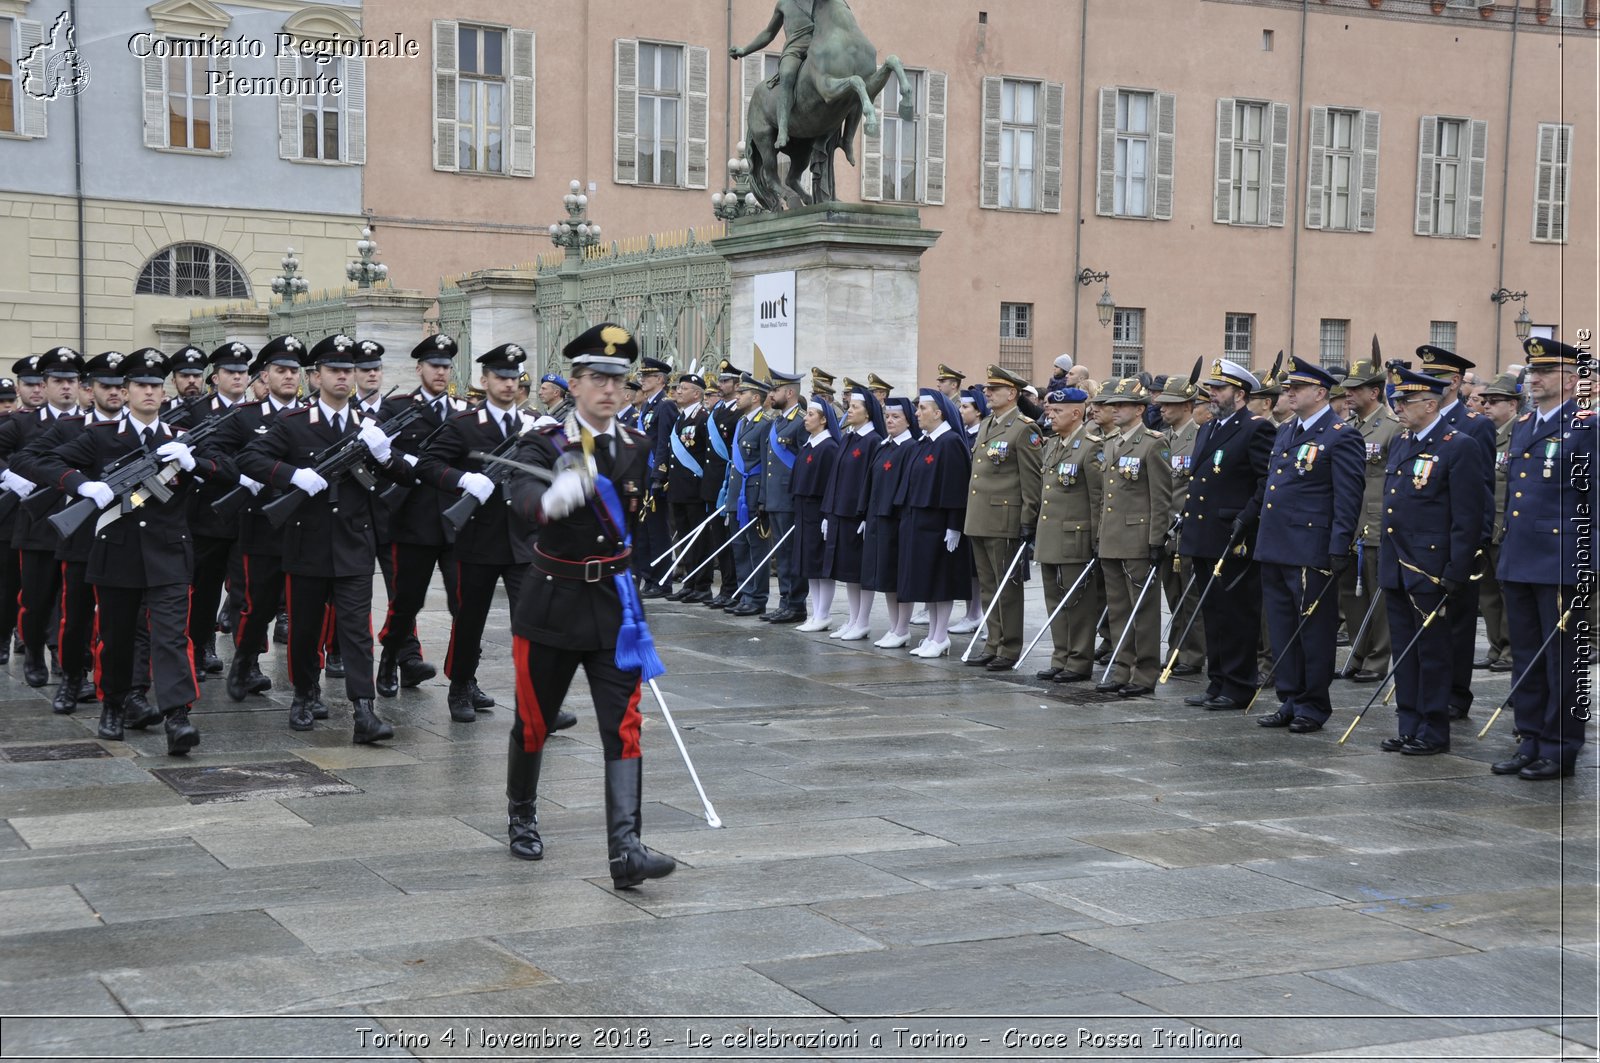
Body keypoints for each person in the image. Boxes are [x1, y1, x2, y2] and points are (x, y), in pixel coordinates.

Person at [502, 322, 676, 888]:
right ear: (573, 385)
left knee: (624, 728)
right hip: (552, 602)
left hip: (615, 608)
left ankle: (626, 850)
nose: (609, 389)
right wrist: (551, 500)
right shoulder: (543, 441)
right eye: (597, 378)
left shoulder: (635, 445)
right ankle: (521, 812)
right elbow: (521, 496)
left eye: (618, 380)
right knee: (533, 721)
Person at [30, 349, 226, 752]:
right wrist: (80, 485)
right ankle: (114, 705)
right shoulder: (102, 437)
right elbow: (37, 459)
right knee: (116, 637)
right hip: (116, 552)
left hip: (169, 554)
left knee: (172, 637)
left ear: (165, 390)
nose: (150, 392)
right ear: (127, 390)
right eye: (141, 385)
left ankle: (178, 716)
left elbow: (230, 470)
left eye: (157, 385)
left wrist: (194, 464)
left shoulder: (180, 440)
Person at [237, 334, 407, 742]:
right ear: (316, 377)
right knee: (306, 628)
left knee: (355, 631)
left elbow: (403, 475)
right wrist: (293, 475)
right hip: (306, 542)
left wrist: (384, 455)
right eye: (334, 370)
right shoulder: (294, 424)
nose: (344, 378)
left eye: (348, 371)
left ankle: (364, 710)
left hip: (354, 541)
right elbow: (251, 458)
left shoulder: (368, 427)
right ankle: (303, 693)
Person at [1490, 336, 1594, 781]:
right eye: (1532, 372)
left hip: (1561, 560)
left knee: (1563, 661)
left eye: (1544, 372)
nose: (1533, 378)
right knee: (1527, 655)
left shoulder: (1586, 427)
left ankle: (1561, 746)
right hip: (1520, 558)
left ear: (1571, 379)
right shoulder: (1527, 424)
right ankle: (1529, 738)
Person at [1248, 356, 1365, 733]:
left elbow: (1348, 496)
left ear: (1320, 392)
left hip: (1310, 547)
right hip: (1277, 544)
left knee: (1312, 630)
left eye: (1296, 388)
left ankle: (1313, 703)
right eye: (1288, 388)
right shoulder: (1286, 431)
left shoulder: (1340, 434)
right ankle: (1290, 697)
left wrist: (1339, 544)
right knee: (1281, 627)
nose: (1289, 394)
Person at [1377, 363, 1487, 756]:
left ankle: (1434, 730)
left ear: (1429, 402)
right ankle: (1409, 724)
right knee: (1405, 651)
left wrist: (1455, 570)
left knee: (1433, 653)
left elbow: (1467, 516)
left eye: (1405, 400)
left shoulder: (1458, 445)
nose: (1399, 406)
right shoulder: (1403, 441)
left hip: (1431, 567)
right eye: (1397, 400)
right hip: (1398, 564)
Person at [13, 350, 128, 716]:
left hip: (122, 534)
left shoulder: (136, 427)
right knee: (73, 613)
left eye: (118, 386)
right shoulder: (69, 428)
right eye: (104, 385)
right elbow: (27, 459)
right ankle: (70, 677)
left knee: (117, 618)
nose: (113, 392)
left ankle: (117, 684)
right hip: (77, 534)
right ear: (90, 389)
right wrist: (76, 484)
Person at [374, 335, 469, 697]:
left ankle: (465, 678)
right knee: (406, 601)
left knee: (464, 604)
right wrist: (407, 462)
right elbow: (378, 452)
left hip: (456, 522)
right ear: (419, 369)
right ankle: (391, 661)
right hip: (412, 519)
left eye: (446, 366)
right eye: (434, 366)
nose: (441, 372)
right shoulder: (397, 408)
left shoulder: (462, 411)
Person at [1178, 360, 1274, 710]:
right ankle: (1217, 680)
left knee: (1237, 613)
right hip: (1205, 533)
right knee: (1213, 612)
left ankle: (1238, 685)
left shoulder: (1255, 429)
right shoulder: (1208, 428)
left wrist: (1247, 518)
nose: (1212, 394)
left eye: (1220, 389)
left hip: (1235, 536)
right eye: (1212, 388)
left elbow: (1266, 482)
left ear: (1240, 394)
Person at [1414, 344, 1496, 723]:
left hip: (1455, 539)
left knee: (1458, 623)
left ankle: (1455, 694)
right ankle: (1426, 689)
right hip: (1421, 539)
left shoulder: (1474, 425)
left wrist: (1474, 544)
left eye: (1434, 378)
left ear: (1455, 382)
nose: (1426, 383)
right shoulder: (1417, 423)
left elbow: (1480, 491)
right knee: (1426, 622)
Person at [0, 347, 82, 689]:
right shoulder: (21, 422)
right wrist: (9, 477)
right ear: (44, 386)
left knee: (74, 601)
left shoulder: (92, 422)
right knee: (35, 598)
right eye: (58, 381)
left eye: (71, 381)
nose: (65, 387)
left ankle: (64, 654)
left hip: (79, 526)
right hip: (37, 525)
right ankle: (33, 649)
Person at [1093, 378, 1175, 697]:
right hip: (1113, 536)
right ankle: (1122, 666)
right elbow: (1108, 495)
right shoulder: (1112, 442)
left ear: (1139, 409)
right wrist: (1101, 534)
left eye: (1121, 405)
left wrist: (1157, 540)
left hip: (1139, 537)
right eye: (1112, 405)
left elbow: (1161, 497)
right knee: (1117, 608)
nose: (1114, 410)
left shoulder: (1153, 443)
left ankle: (1144, 672)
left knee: (1143, 609)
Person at [963, 365, 1043, 672]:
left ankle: (1008, 647)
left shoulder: (1024, 428)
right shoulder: (987, 424)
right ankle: (992, 641)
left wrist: (1028, 519)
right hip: (981, 516)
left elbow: (1031, 480)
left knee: (1006, 586)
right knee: (987, 584)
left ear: (1012, 393)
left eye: (994, 390)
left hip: (1005, 517)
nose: (987, 393)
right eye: (987, 389)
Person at [1334, 358, 1401, 683]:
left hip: (1375, 522)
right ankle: (1358, 654)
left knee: (1378, 594)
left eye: (1355, 389)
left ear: (1374, 391)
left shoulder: (1391, 427)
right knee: (1351, 595)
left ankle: (1377, 659)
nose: (1348, 394)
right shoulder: (1352, 427)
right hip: (1350, 521)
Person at [897, 389, 973, 658]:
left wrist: (954, 525)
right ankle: (931, 634)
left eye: (922, 409)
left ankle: (941, 636)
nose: (917, 413)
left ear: (938, 413)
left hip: (940, 524)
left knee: (941, 580)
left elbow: (956, 487)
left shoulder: (950, 442)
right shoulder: (925, 442)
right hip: (920, 522)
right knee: (927, 580)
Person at [1033, 387, 1102, 683]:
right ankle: (1060, 656)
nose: (1051, 414)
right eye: (1050, 410)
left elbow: (1099, 498)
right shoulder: (1052, 445)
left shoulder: (1090, 446)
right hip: (1051, 535)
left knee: (1078, 603)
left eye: (1058, 411)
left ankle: (1079, 660)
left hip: (1076, 537)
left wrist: (1097, 538)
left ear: (1077, 413)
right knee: (1055, 601)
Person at [821, 386, 883, 641]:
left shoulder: (873, 440)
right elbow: (834, 477)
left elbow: (871, 482)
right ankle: (852, 618)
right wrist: (827, 512)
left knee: (859, 571)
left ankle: (863, 620)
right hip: (840, 512)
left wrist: (866, 515)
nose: (849, 410)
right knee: (847, 572)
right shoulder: (848, 437)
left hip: (857, 515)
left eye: (855, 407)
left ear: (868, 413)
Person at [1154, 372, 1205, 677]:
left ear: (1187, 406)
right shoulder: (1164, 438)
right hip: (1166, 530)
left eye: (1170, 404)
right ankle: (1177, 648)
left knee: (1191, 594)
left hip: (1187, 527)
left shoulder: (1199, 437)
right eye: (1161, 403)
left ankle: (1193, 654)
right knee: (1174, 596)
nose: (1162, 409)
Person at [1474, 371, 1523, 672]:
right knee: (1487, 592)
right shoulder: (1485, 435)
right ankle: (1495, 646)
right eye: (1485, 401)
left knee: (1508, 595)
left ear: (1513, 405)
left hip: (1507, 527)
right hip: (1485, 525)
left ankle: (1510, 650)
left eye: (1495, 401)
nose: (1487, 406)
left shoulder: (1519, 434)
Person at [863, 396, 918, 647]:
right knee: (885, 576)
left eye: (896, 417)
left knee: (899, 575)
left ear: (908, 420)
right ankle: (894, 626)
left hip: (896, 520)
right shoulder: (884, 445)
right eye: (887, 416)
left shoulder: (910, 447)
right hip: (878, 518)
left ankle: (903, 627)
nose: (890, 421)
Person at [730, 0, 816, 150]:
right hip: (795, 48)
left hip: (819, 47)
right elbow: (768, 33)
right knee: (787, 73)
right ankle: (783, 129)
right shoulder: (784, 4)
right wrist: (744, 50)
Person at [759, 369, 807, 622]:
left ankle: (796, 604)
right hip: (775, 499)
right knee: (781, 553)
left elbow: (805, 464)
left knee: (791, 553)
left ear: (789, 392)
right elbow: (769, 466)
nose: (771, 395)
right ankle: (785, 601)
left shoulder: (802, 422)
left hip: (790, 499)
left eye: (775, 390)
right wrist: (764, 499)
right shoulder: (777, 422)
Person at [792, 397, 842, 631]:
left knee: (821, 566)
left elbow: (830, 485)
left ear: (823, 420)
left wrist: (827, 515)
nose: (806, 418)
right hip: (804, 510)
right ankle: (815, 612)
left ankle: (823, 614)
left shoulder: (829, 447)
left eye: (811, 414)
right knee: (809, 564)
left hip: (819, 511)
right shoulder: (809, 444)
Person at [723, 372, 771, 617]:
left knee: (756, 546)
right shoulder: (741, 422)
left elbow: (766, 464)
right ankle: (744, 593)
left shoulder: (765, 424)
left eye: (742, 393)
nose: (737, 396)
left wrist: (763, 498)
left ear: (755, 397)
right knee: (739, 545)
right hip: (736, 494)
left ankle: (757, 597)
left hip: (751, 494)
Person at [635, 357, 676, 597]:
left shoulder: (665, 405)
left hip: (654, 474)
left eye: (647, 376)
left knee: (658, 530)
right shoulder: (649, 406)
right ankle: (649, 577)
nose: (642, 380)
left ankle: (662, 581)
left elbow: (663, 441)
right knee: (644, 530)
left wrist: (659, 473)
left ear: (660, 380)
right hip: (643, 472)